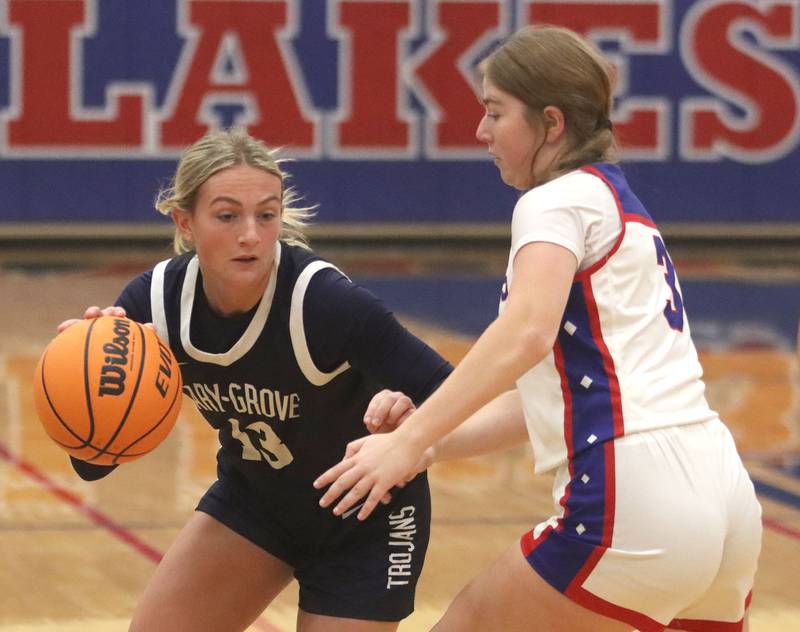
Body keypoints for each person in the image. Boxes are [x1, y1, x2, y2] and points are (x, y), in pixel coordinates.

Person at [315, 25, 763, 632]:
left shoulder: (554, 201)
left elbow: (525, 334)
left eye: (495, 112)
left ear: (551, 123)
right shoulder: (621, 206)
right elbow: (546, 400)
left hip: (635, 497)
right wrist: (428, 445)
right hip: (724, 495)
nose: (482, 131)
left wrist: (409, 438)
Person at [56, 127, 452, 632]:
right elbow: (90, 466)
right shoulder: (153, 303)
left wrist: (414, 426)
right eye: (227, 216)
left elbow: (457, 394)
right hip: (256, 503)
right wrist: (87, 378)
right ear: (185, 222)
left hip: (367, 519)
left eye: (266, 215)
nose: (252, 235)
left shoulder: (324, 302)